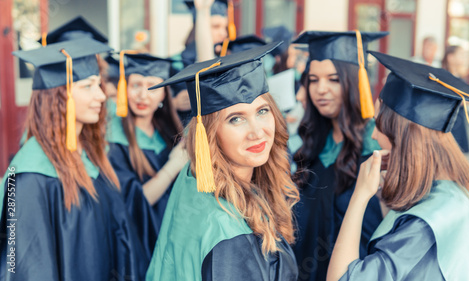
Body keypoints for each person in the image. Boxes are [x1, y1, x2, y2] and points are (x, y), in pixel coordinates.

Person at [328, 51, 469, 281]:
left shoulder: (426, 224)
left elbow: (342, 278)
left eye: (380, 125)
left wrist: (359, 196)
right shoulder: (468, 195)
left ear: (405, 138)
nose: (375, 134)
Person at [146, 43, 299, 281]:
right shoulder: (228, 233)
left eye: (262, 111)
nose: (257, 132)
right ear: (209, 134)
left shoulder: (192, 178)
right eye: (236, 119)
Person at [0, 38, 148, 280]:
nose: (101, 96)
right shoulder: (30, 175)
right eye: (88, 86)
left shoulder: (91, 156)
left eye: (99, 85)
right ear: (59, 96)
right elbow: (29, 266)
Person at [290, 30, 387, 281]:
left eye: (333, 79)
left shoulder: (375, 147)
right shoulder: (311, 144)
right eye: (313, 80)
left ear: (355, 81)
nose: (321, 89)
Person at [106, 52, 187, 259]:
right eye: (136, 85)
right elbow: (134, 203)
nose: (143, 95)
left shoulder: (170, 132)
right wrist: (173, 165)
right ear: (124, 89)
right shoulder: (114, 141)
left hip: (174, 239)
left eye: (152, 86)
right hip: (137, 244)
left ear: (163, 94)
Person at [170, 0, 230, 126]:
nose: (223, 33)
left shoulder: (228, 56)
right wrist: (173, 102)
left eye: (225, 27)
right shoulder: (177, 62)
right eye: (215, 26)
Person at [441, 45, 469, 153]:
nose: (464, 57)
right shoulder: (442, 78)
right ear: (450, 57)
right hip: (446, 123)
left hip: (459, 121)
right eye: (461, 54)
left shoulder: (461, 78)